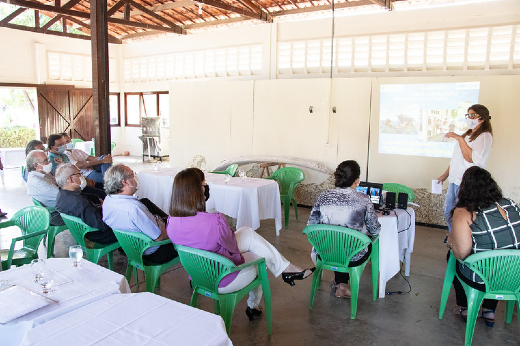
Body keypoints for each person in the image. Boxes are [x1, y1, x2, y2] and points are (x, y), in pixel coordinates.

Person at [167, 168, 314, 321]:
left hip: (198, 277)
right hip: (223, 280)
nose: (206, 187)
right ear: (198, 191)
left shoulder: (171, 222)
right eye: (204, 184)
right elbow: (233, 248)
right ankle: (254, 305)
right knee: (259, 257)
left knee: (247, 234)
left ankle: (285, 270)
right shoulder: (215, 221)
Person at [447, 166, 520, 328]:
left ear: (464, 189)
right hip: (516, 275)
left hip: (485, 277)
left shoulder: (464, 212)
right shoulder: (510, 204)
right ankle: (489, 310)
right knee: (500, 258)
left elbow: (462, 253)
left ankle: (466, 307)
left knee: (452, 257)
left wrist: (451, 242)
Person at [307, 160, 381, 298]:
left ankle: (340, 282)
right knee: (356, 244)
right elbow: (375, 230)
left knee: (338, 242)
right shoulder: (364, 199)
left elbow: (311, 225)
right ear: (357, 181)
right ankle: (342, 285)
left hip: (324, 252)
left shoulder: (323, 196)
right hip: (352, 256)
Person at [102, 164, 177, 264]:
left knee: (146, 203)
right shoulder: (134, 208)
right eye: (132, 175)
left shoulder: (108, 201)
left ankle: (168, 220)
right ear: (124, 182)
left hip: (128, 247)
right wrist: (172, 231)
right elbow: (159, 237)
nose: (135, 178)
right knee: (187, 232)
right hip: (150, 252)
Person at [437, 104, 493, 233]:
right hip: (454, 180)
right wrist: (445, 175)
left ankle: (461, 239)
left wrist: (459, 139)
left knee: (461, 214)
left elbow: (470, 159)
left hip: (467, 183)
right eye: (468, 115)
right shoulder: (467, 135)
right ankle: (454, 236)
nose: (469, 118)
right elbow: (457, 159)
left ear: (482, 118)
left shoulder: (484, 136)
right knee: (448, 210)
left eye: (472, 115)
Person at [55, 163, 118, 245]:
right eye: (79, 174)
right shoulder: (79, 202)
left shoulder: (61, 195)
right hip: (97, 236)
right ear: (71, 179)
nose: (82, 177)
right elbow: (102, 225)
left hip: (82, 232)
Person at [25, 150, 65, 226]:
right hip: (55, 214)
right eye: (45, 161)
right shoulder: (38, 182)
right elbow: (63, 195)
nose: (49, 162)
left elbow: (58, 181)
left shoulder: (42, 174)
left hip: (58, 207)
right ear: (36, 166)